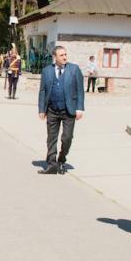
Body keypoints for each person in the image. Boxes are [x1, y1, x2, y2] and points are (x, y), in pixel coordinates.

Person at [37, 46, 84, 175]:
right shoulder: (47, 71)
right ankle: (51, 165)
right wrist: (41, 109)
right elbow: (42, 91)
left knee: (67, 138)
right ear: (55, 57)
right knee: (51, 138)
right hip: (52, 109)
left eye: (65, 54)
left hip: (69, 110)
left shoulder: (74, 69)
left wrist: (80, 108)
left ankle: (61, 160)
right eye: (61, 55)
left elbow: (80, 90)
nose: (64, 57)